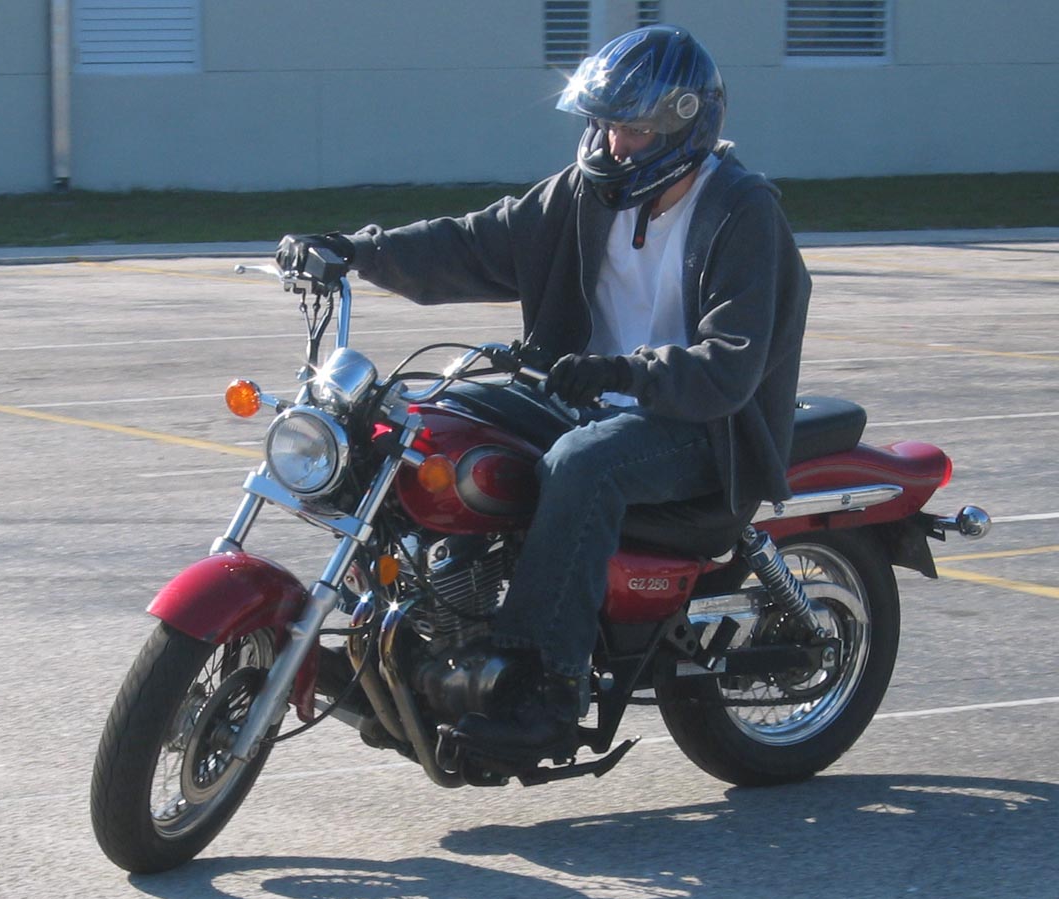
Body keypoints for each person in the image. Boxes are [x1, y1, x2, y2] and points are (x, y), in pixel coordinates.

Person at [276, 25, 812, 764]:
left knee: (581, 466)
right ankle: (411, 633)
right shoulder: (587, 193)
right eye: (605, 124)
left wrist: (624, 373)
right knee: (414, 423)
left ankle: (546, 690)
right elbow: (475, 242)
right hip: (584, 399)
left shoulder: (741, 213)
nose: (613, 143)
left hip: (700, 424)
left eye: (632, 130)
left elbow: (728, 364)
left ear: (682, 128)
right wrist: (357, 251)